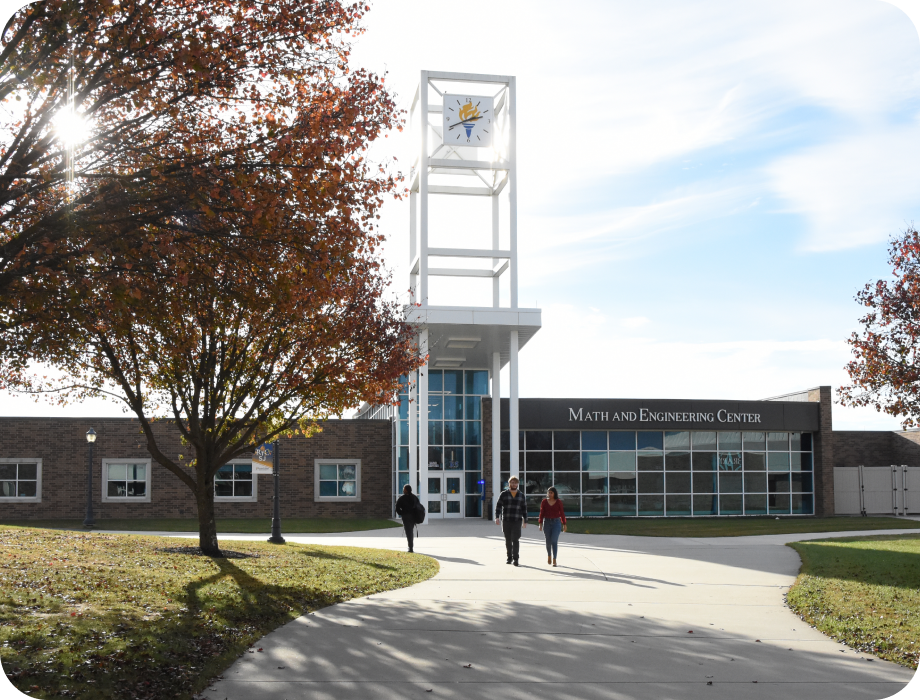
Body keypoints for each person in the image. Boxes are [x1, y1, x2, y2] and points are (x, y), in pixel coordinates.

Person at [494, 475, 527, 566]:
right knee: (508, 540)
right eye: (512, 482)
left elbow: (524, 508)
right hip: (506, 520)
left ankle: (516, 559)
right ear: (509, 484)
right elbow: (498, 506)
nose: (514, 484)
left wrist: (525, 520)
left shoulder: (521, 495)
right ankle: (509, 558)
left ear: (517, 484)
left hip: (517, 520)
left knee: (515, 539)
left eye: (515, 483)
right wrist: (497, 517)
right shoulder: (504, 494)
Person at [538, 486, 566, 567]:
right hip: (546, 522)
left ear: (554, 494)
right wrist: (540, 523)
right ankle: (549, 555)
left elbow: (562, 513)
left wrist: (564, 524)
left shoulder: (558, 502)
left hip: (556, 523)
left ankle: (554, 559)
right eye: (548, 493)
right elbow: (541, 513)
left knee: (554, 541)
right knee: (548, 542)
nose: (549, 494)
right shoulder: (544, 502)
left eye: (551, 493)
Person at [395, 484, 420, 553]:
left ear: (406, 490)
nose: (403, 490)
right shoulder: (414, 498)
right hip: (413, 517)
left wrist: (401, 513)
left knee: (409, 531)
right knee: (410, 530)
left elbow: (397, 507)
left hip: (406, 517)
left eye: (404, 489)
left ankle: (410, 547)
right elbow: (418, 507)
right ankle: (410, 546)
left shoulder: (402, 498)